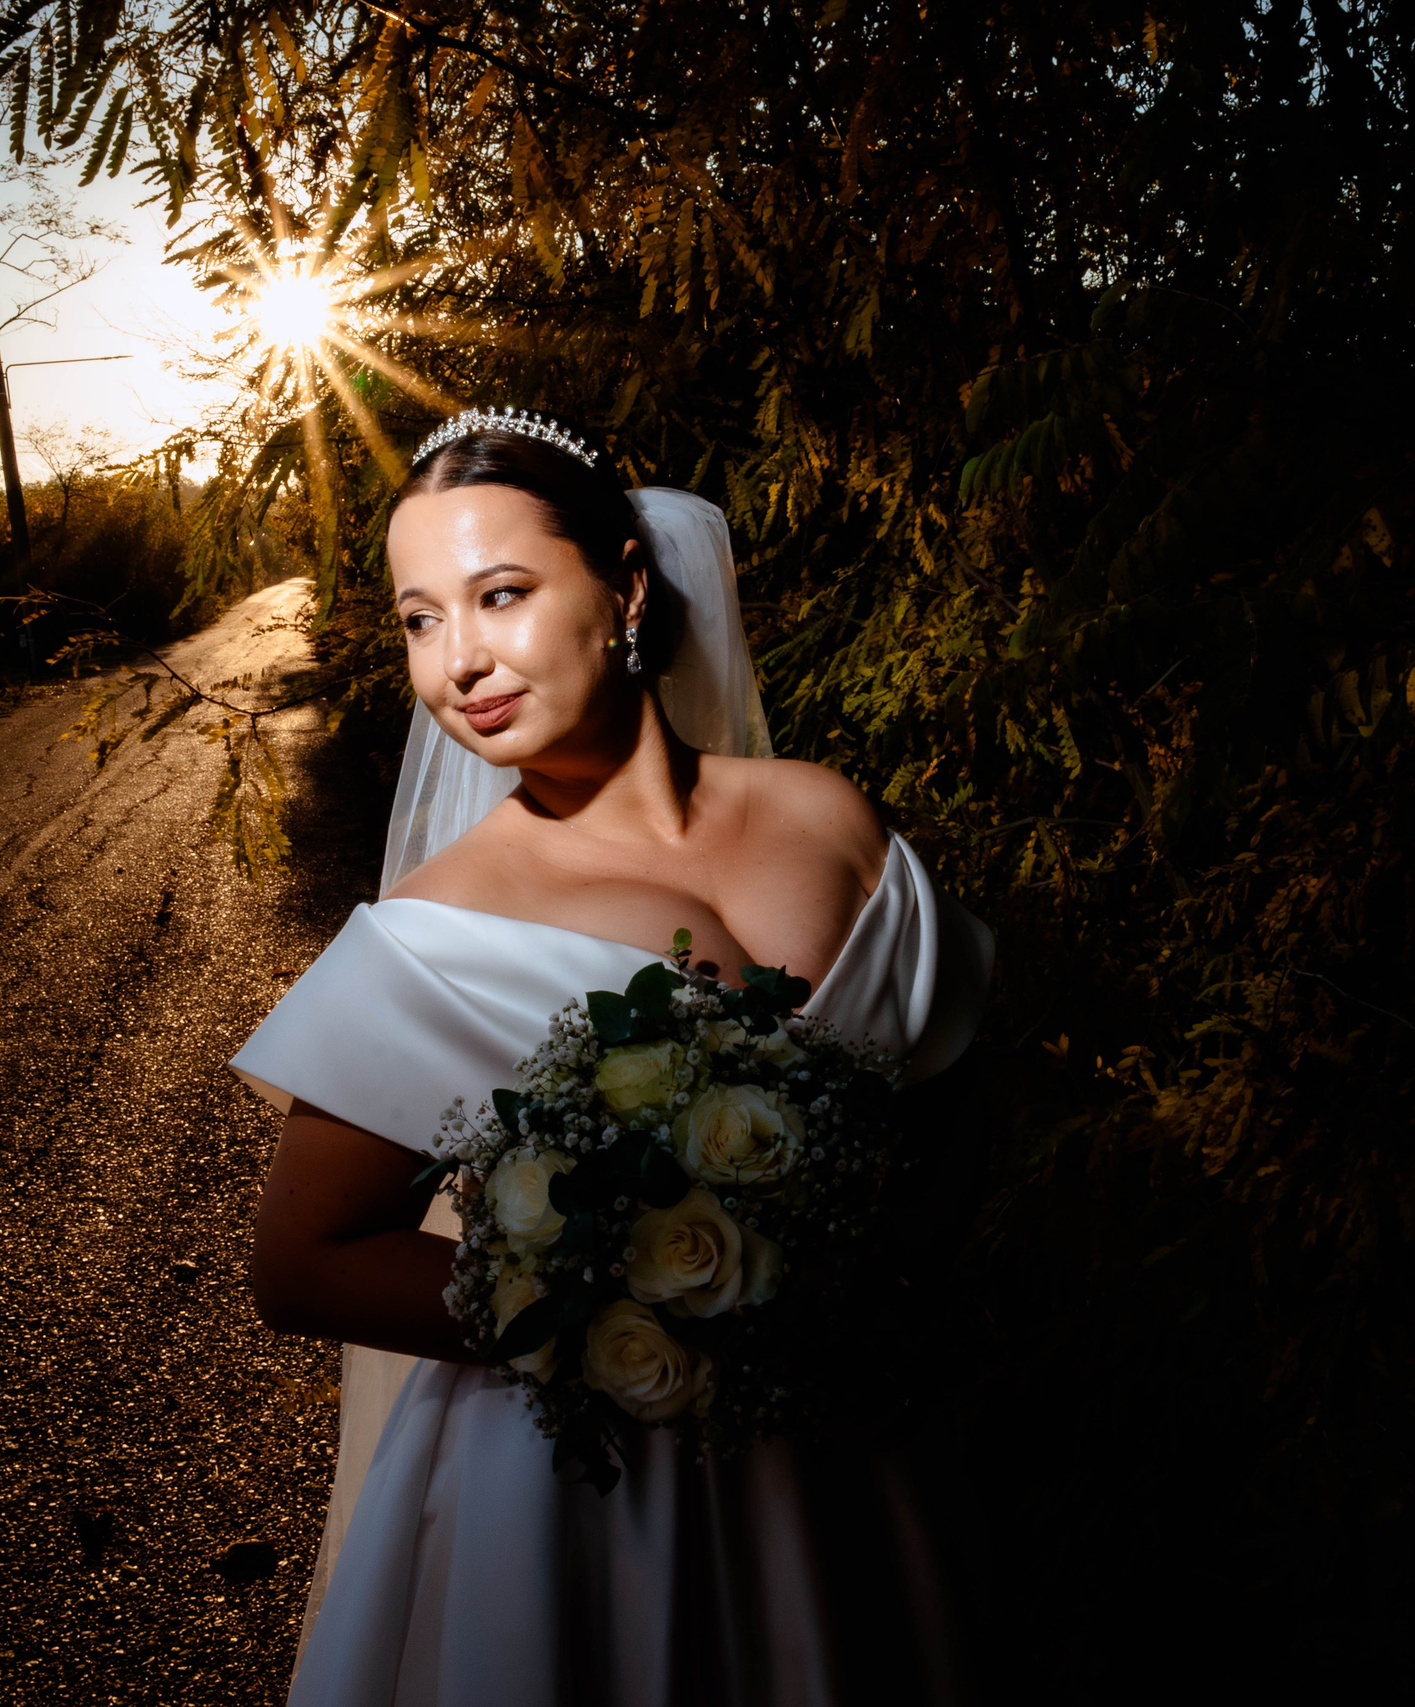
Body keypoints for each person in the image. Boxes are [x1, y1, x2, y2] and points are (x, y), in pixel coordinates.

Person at [228, 407, 993, 1707]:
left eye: (501, 594)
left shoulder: (829, 818)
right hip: (584, 1494)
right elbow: (299, 1264)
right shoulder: (438, 929)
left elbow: (950, 1113)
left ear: (625, 585)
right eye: (421, 619)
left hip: (851, 1436)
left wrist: (888, 1276)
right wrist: (627, 1308)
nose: (458, 659)